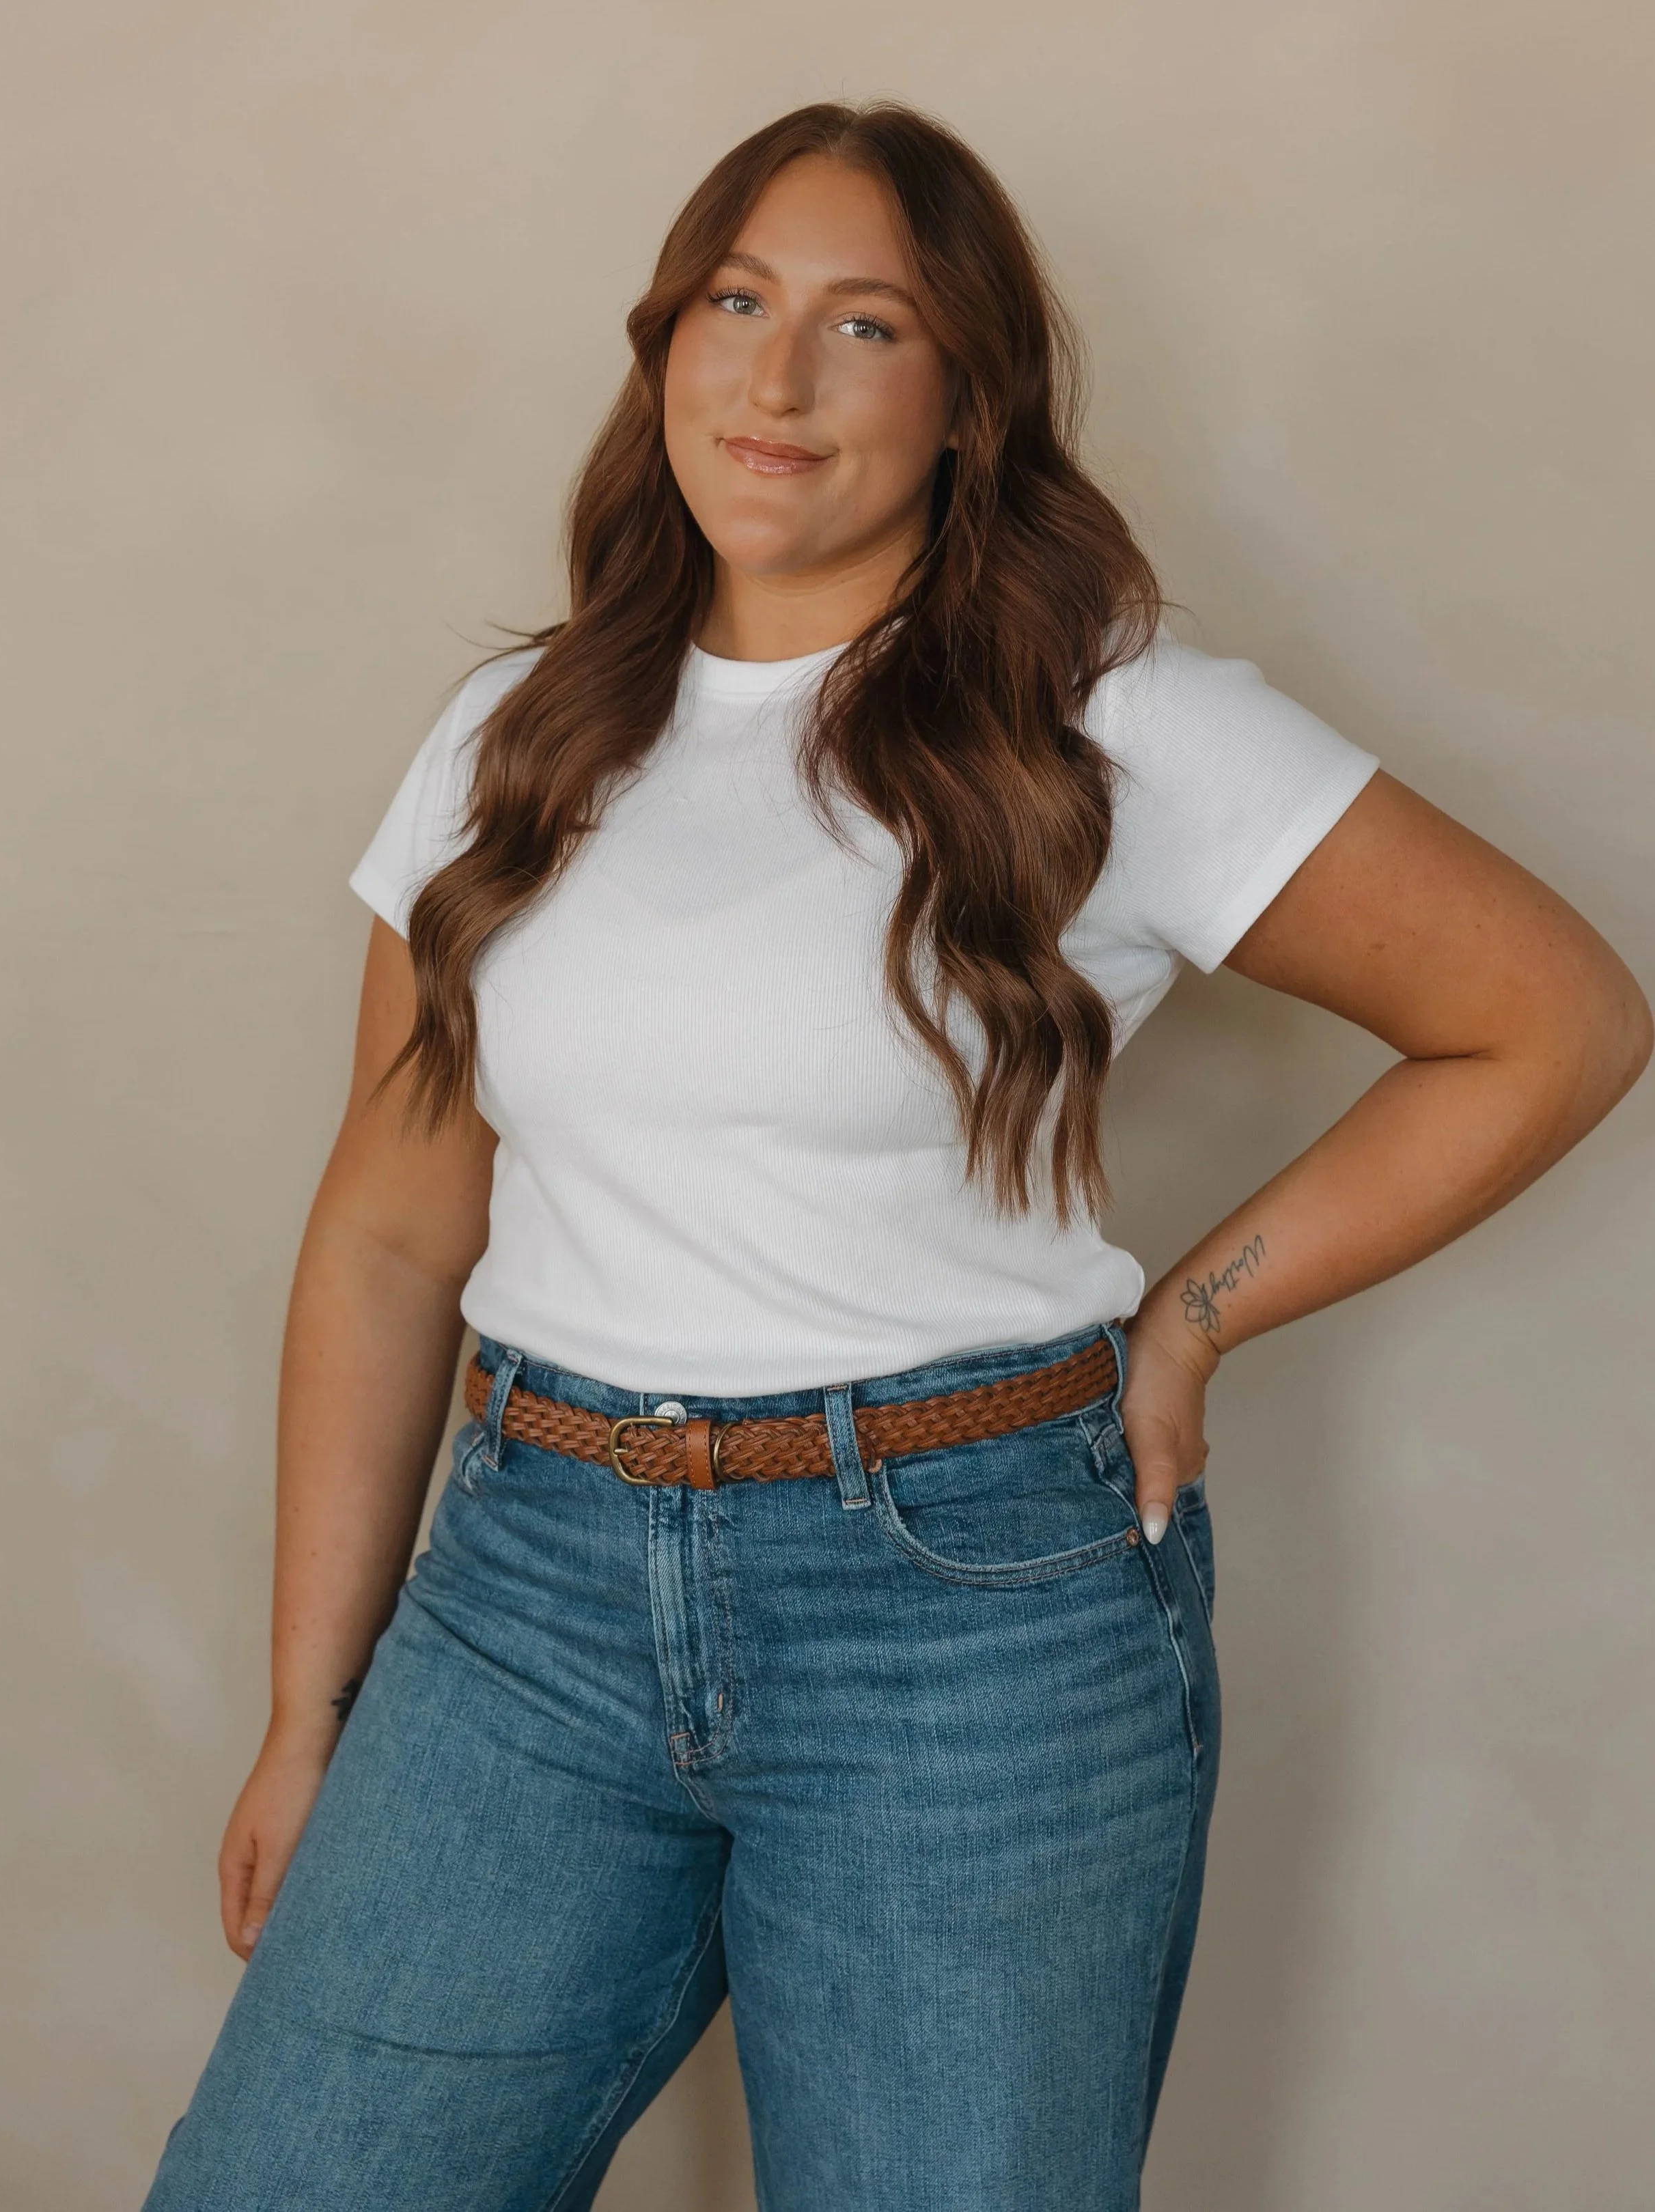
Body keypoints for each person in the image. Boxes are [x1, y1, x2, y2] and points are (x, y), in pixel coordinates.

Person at [142, 99, 1650, 2212]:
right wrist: (315, 1703)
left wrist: (1192, 1315)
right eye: (736, 305)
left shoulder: (1107, 724)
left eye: (864, 327)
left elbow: (1552, 1016)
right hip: (524, 1601)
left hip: (968, 1617)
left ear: (965, 402)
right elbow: (390, 1231)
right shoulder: (522, 739)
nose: (774, 380)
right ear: (661, 340)